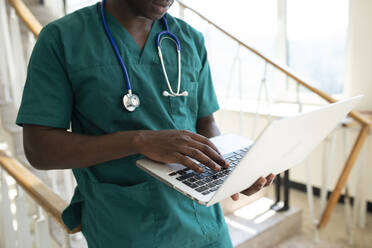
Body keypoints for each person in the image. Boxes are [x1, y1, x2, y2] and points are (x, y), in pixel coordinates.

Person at [16, 0, 275, 247]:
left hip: (204, 225)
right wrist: (138, 141)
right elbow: (40, 149)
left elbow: (205, 122)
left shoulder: (189, 39)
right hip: (123, 227)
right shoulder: (63, 39)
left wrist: (228, 172)